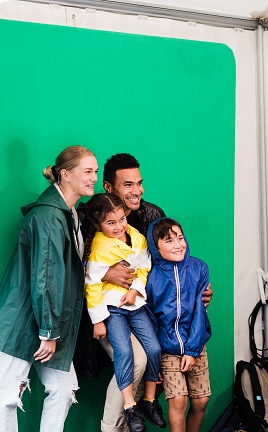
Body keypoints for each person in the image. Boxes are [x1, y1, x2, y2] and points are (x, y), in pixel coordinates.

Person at [76, 153, 214, 432]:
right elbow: (72, 267)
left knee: (148, 356)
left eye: (139, 183)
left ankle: (130, 420)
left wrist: (196, 290)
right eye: (128, 185)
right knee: (135, 360)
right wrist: (106, 273)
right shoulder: (89, 216)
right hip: (105, 310)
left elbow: (168, 264)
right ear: (108, 188)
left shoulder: (151, 215)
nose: (137, 191)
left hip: (143, 309)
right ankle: (112, 427)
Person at [0, 145, 98, 432]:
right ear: (66, 174)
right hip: (22, 321)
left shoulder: (68, 214)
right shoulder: (47, 217)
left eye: (96, 171)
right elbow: (46, 277)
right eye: (88, 171)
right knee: (7, 396)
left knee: (63, 389)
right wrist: (48, 331)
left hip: (47, 321)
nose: (94, 177)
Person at [84, 193, 166, 432]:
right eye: (111, 222)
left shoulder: (137, 235)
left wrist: (136, 290)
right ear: (99, 224)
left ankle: (147, 403)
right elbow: (91, 283)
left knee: (152, 350)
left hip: (135, 305)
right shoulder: (99, 246)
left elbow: (144, 266)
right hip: (112, 310)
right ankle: (127, 411)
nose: (119, 226)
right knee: (127, 356)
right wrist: (98, 320)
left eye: (121, 219)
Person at [146, 218, 212, 432]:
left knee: (201, 401)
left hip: (196, 344)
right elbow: (149, 319)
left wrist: (192, 350)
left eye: (180, 238)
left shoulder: (199, 268)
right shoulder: (151, 276)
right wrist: (154, 361)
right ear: (156, 247)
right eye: (169, 240)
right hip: (167, 350)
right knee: (178, 401)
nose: (178, 245)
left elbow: (199, 312)